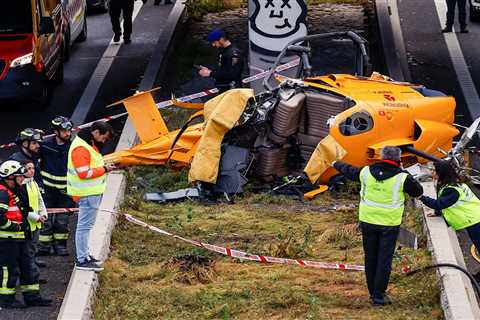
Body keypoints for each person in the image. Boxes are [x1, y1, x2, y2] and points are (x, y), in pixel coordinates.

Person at [332, 146, 423, 306]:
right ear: (398, 160)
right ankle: (378, 295)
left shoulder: (366, 171)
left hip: (368, 222)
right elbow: (417, 191)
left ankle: (372, 291)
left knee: (371, 257)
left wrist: (335, 163)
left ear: (381, 157)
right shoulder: (402, 177)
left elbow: (349, 170)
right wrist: (405, 171)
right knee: (384, 260)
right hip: (389, 225)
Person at [0, 160, 51, 309]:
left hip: (20, 238)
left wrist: (36, 217)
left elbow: (24, 210)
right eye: (19, 176)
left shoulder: (16, 190)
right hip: (7, 240)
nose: (23, 178)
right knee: (9, 270)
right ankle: (6, 300)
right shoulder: (3, 193)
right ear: (10, 177)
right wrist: (14, 227)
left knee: (27, 266)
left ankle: (32, 297)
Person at [67, 121, 116, 271]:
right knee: (84, 227)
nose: (104, 141)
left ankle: (85, 255)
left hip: (89, 193)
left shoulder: (87, 143)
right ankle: (82, 260)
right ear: (95, 132)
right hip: (87, 193)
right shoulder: (81, 148)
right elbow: (84, 173)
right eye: (103, 137)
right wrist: (104, 169)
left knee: (86, 226)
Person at [420, 161, 480, 254]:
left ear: (441, 173)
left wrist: (421, 197)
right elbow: (445, 202)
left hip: (474, 220)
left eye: (434, 171)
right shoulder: (456, 184)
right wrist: (437, 213)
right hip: (475, 216)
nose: (432, 172)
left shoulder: (451, 190)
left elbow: (439, 204)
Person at [38, 116, 76, 256]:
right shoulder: (45, 145)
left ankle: (60, 246)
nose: (68, 134)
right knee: (45, 219)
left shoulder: (73, 147)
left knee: (62, 220)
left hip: (65, 191)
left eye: (69, 131)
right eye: (64, 131)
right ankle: (43, 246)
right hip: (47, 190)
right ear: (55, 131)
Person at [198, 28, 244, 92]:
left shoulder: (234, 54)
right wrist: (210, 71)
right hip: (224, 88)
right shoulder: (223, 50)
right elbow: (224, 69)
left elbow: (233, 74)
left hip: (232, 90)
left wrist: (211, 74)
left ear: (221, 39)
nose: (213, 45)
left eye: (214, 42)